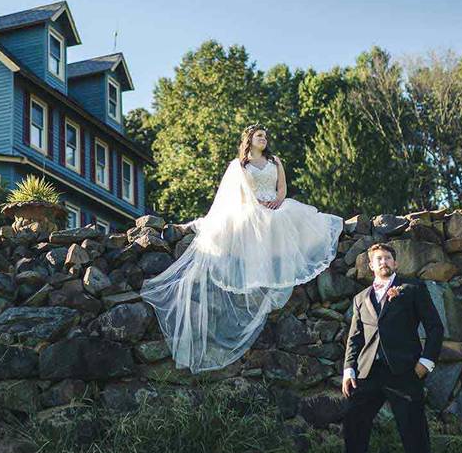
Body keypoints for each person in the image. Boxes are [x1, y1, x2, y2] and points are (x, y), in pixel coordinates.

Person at [140, 123, 343, 373]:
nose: (264, 139)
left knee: (293, 217)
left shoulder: (275, 161)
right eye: (259, 136)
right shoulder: (239, 165)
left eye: (266, 136)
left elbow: (282, 188)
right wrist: (259, 204)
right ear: (249, 139)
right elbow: (241, 194)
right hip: (252, 207)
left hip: (276, 205)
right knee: (252, 222)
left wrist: (277, 201)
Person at [341, 242, 444, 453]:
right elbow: (354, 338)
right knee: (354, 426)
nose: (383, 262)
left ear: (395, 263)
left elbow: (435, 328)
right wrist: (348, 369)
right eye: (378, 259)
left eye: (387, 258)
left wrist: (426, 362)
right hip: (367, 374)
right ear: (371, 265)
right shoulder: (360, 298)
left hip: (404, 372)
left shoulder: (412, 289)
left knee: (414, 432)